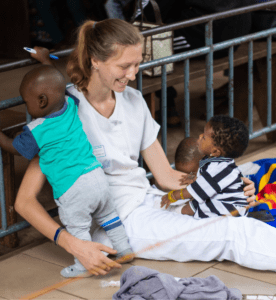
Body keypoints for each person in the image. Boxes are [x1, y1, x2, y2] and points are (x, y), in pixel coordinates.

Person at [14, 19, 276, 276]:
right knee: (231, 234)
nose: (133, 74)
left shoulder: (133, 99)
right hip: (116, 221)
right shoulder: (64, 115)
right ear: (95, 60)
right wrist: (76, 245)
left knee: (233, 219)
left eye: (137, 64)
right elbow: (24, 202)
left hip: (148, 200)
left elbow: (164, 176)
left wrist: (225, 186)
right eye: (124, 66)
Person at [0, 65, 133, 278]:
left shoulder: (37, 130)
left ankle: (83, 266)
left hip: (73, 187)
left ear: (42, 101)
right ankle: (124, 249)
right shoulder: (71, 104)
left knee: (78, 229)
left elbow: (13, 147)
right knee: (108, 215)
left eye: (27, 102)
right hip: (96, 174)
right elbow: (62, 86)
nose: (26, 107)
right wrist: (45, 60)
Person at [161, 115, 250, 219]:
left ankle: (177, 214)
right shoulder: (216, 162)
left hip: (233, 209)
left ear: (215, 151)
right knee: (197, 203)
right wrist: (194, 178)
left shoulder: (219, 170)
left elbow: (196, 190)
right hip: (222, 201)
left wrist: (174, 195)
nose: (199, 136)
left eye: (204, 137)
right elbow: (205, 178)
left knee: (191, 207)